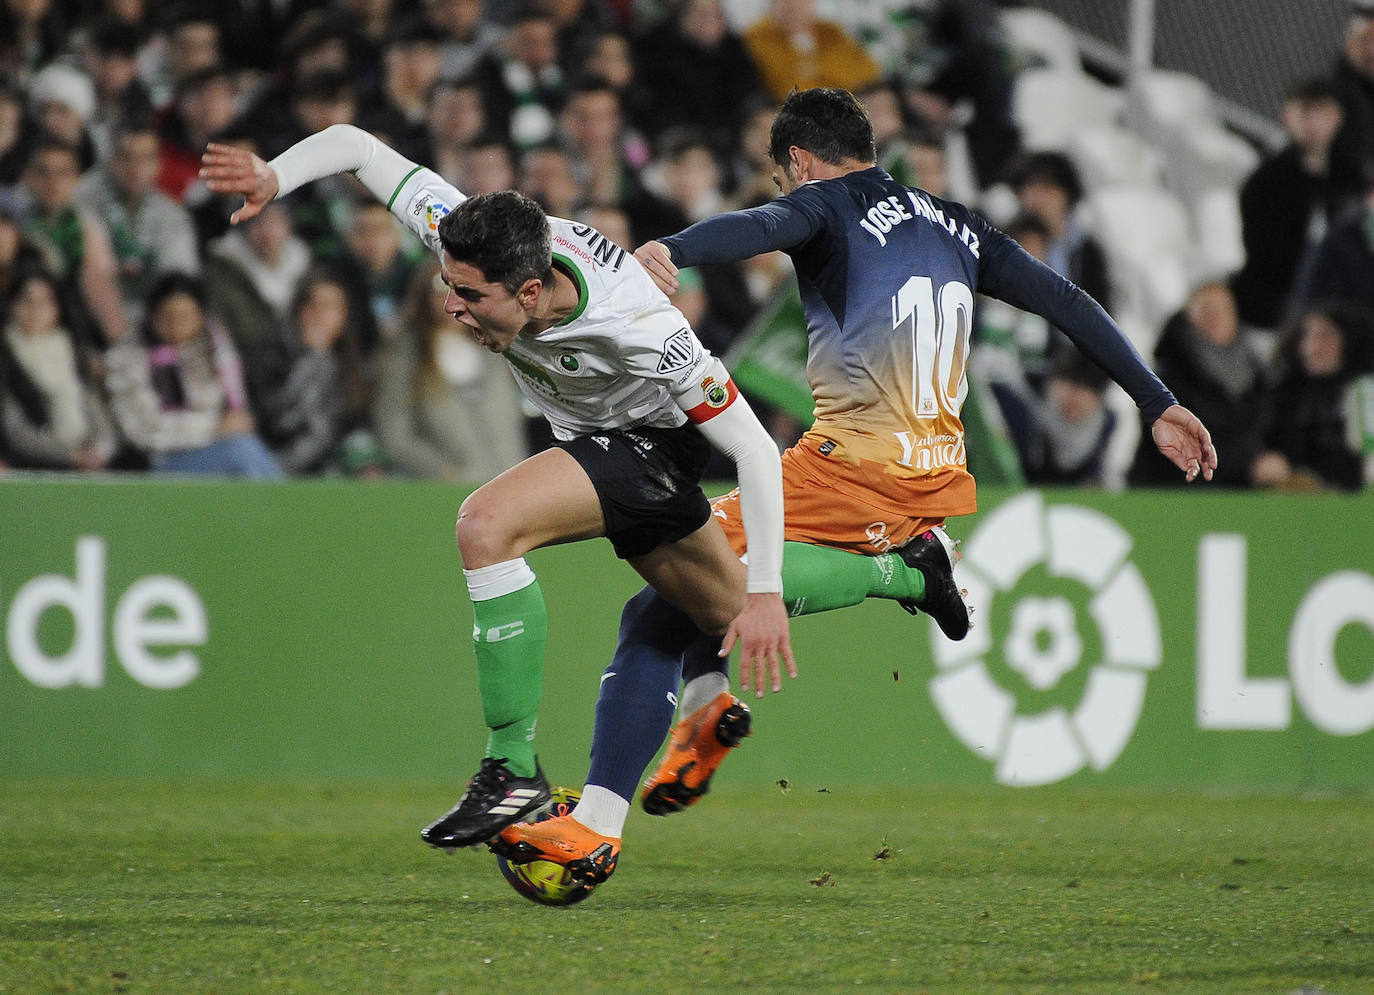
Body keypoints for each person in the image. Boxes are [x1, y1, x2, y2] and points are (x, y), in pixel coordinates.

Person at [491, 86, 1216, 892]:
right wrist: (1157, 399)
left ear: (799, 162)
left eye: (780, 177)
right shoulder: (959, 223)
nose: (782, 192)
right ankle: (704, 705)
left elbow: (761, 229)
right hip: (927, 469)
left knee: (673, 589)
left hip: (847, 471)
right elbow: (1068, 301)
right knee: (682, 597)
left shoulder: (826, 204)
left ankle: (597, 825)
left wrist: (676, 248)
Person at [199, 121, 793, 850]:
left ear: (534, 290)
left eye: (470, 295)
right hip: (602, 444)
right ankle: (889, 575)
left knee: (486, 524)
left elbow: (757, 450)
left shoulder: (641, 325)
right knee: (714, 608)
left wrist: (766, 589)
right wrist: (274, 175)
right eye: (449, 285)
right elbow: (359, 145)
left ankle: (512, 768)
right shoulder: (471, 232)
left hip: (658, 447)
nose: (451, 306)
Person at [105, 271, 283, 477]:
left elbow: (236, 413)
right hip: (157, 462)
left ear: (200, 315)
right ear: (153, 316)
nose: (176, 325)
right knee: (240, 452)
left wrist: (230, 425)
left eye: (185, 316)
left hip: (216, 449)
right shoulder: (129, 356)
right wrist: (215, 427)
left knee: (249, 449)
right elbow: (143, 432)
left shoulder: (216, 350)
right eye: (167, 316)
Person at [371, 259, 526, 481]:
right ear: (423, 295)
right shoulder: (405, 357)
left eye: (465, 290)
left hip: (509, 484)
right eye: (440, 287)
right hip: (446, 491)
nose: (452, 299)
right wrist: (439, 471)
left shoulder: (496, 350)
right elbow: (395, 432)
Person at [1231, 77, 1355, 330]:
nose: (1312, 123)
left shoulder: (1349, 177)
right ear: (1287, 116)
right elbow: (1264, 254)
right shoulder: (1266, 182)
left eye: (1320, 112)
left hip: (1335, 305)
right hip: (1274, 304)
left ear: (1338, 118)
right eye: (1304, 112)